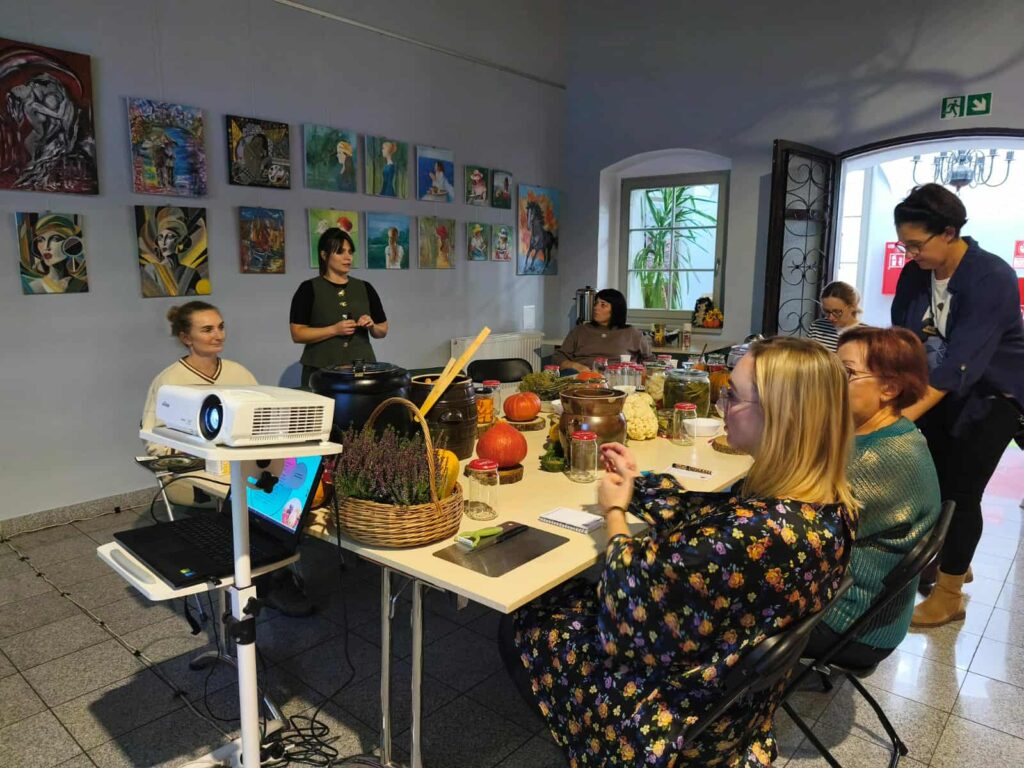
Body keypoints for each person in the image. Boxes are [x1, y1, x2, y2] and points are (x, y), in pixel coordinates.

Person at [503, 337, 856, 767]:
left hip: (680, 717)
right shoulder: (830, 507)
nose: (721, 405)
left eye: (733, 396)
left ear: (781, 416)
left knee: (530, 617)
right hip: (736, 707)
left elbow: (625, 605)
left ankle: (597, 741)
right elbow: (709, 519)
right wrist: (638, 484)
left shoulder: (750, 533)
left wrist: (615, 514)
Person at [890, 183, 1024, 628]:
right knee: (933, 481)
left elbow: (963, 362)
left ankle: (949, 596)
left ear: (949, 232)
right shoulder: (916, 273)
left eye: (916, 244)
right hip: (945, 387)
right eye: (904, 245)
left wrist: (900, 418)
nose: (910, 254)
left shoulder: (991, 276)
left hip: (995, 393)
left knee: (962, 492)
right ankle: (954, 560)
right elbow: (906, 339)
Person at [804, 326, 940, 666]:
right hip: (862, 608)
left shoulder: (881, 458)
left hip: (849, 621)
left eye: (846, 373)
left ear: (889, 388)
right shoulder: (888, 432)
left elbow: (802, 536)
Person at [290, 228, 389, 388]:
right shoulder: (308, 289)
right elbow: (297, 333)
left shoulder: (365, 287)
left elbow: (382, 330)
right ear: (324, 255)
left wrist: (372, 326)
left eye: (350, 252)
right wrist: (334, 330)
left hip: (362, 371)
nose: (347, 257)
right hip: (321, 373)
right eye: (340, 252)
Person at [553, 288, 652, 371]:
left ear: (616, 309)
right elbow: (558, 357)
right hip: (583, 379)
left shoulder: (632, 333)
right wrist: (576, 366)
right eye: (596, 304)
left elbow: (650, 361)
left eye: (603, 305)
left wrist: (640, 372)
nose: (596, 308)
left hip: (620, 381)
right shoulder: (580, 331)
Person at [808, 281, 863, 352]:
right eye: (826, 311)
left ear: (852, 307)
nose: (830, 317)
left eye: (837, 312)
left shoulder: (866, 334)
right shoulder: (817, 327)